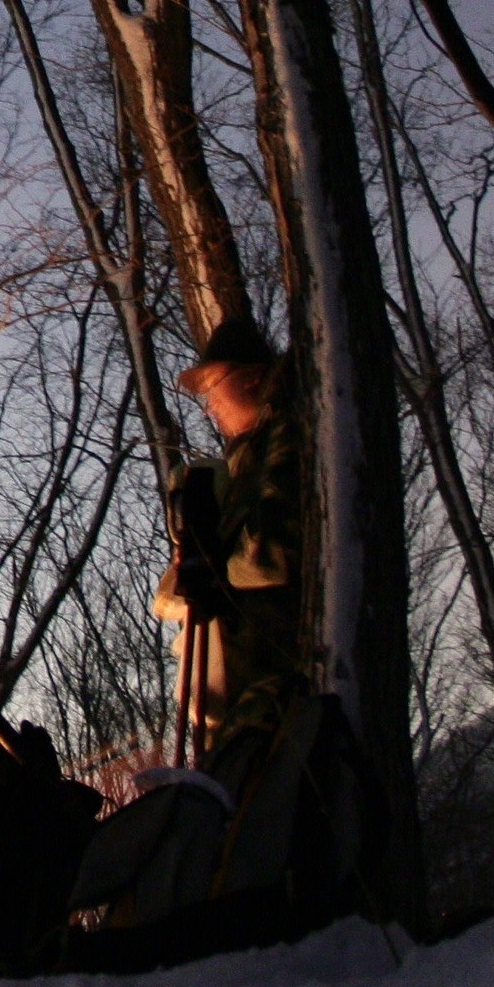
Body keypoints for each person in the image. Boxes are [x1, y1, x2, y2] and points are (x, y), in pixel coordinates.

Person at [153, 318, 306, 755]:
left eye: (213, 386)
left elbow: (272, 555)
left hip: (273, 682)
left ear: (253, 376)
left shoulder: (287, 442)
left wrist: (209, 572)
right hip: (243, 691)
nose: (208, 406)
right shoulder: (243, 466)